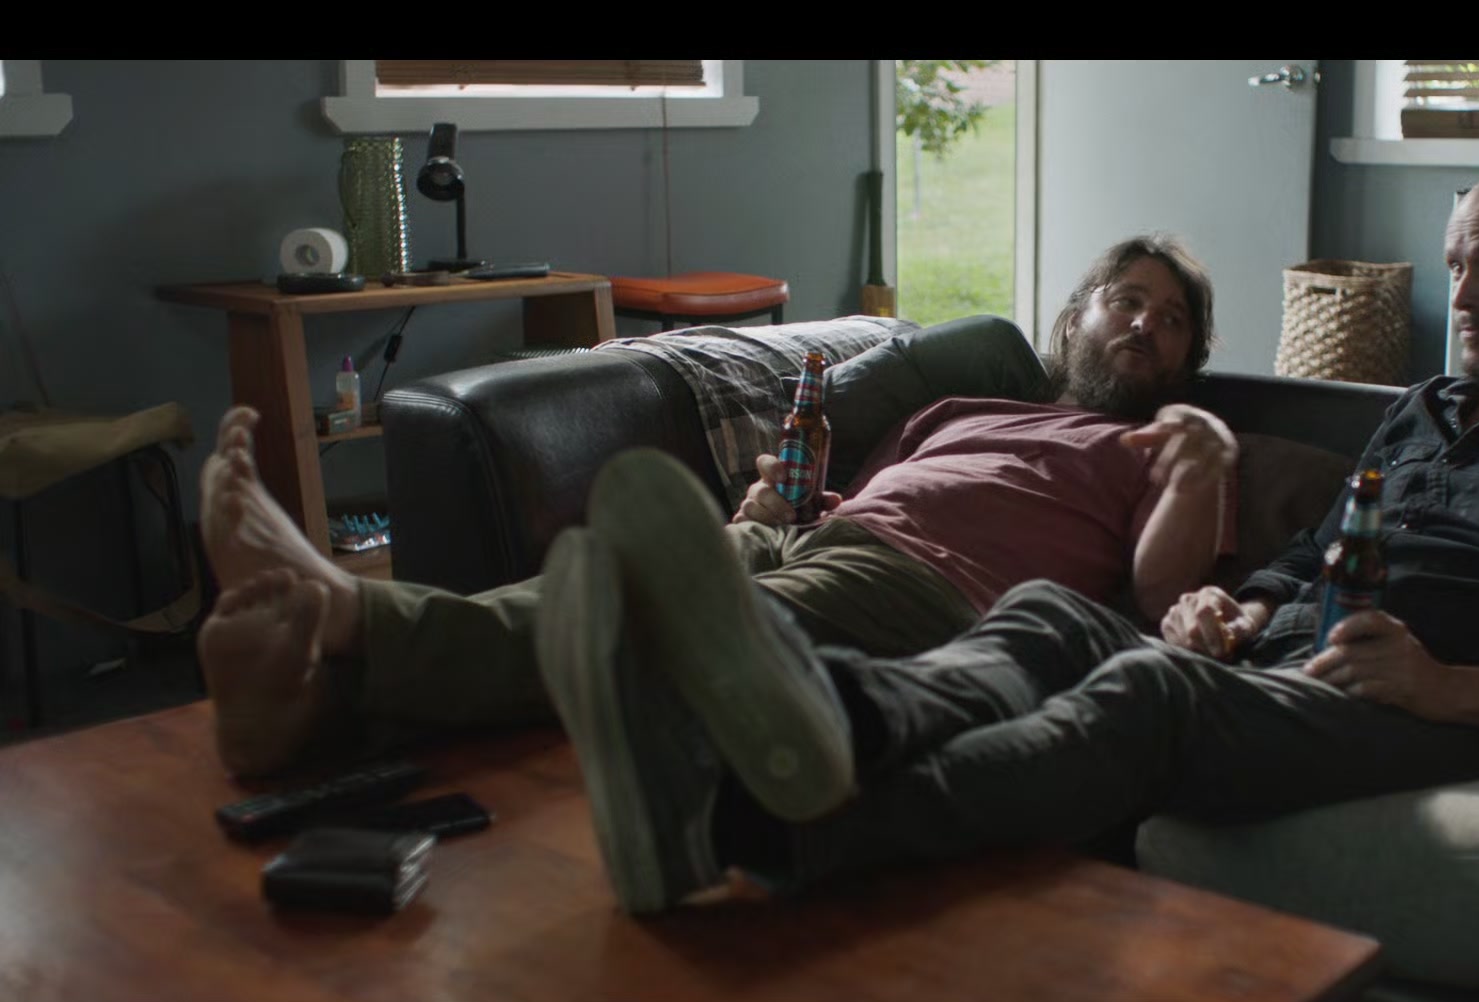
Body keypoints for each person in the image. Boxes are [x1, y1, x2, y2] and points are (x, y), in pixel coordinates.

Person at [543, 162, 1479, 916]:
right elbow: (1312, 554)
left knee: (1150, 693)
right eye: (1460, 262)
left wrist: (1442, 685)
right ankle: (830, 713)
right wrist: (1242, 604)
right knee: (1050, 617)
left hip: (1428, 713)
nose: (1461, 296)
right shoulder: (1421, 411)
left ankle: (748, 826)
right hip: (1293, 663)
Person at [197, 235, 1239, 779]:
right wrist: (775, 505)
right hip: (816, 537)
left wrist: (1201, 467)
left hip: (927, 591)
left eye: (1171, 320)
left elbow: (1159, 596)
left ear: (1191, 356)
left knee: (656, 621)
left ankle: (342, 620)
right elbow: (866, 494)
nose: (1142, 325)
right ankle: (310, 709)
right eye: (1127, 300)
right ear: (1077, 314)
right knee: (607, 583)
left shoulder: (1175, 450)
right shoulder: (963, 406)